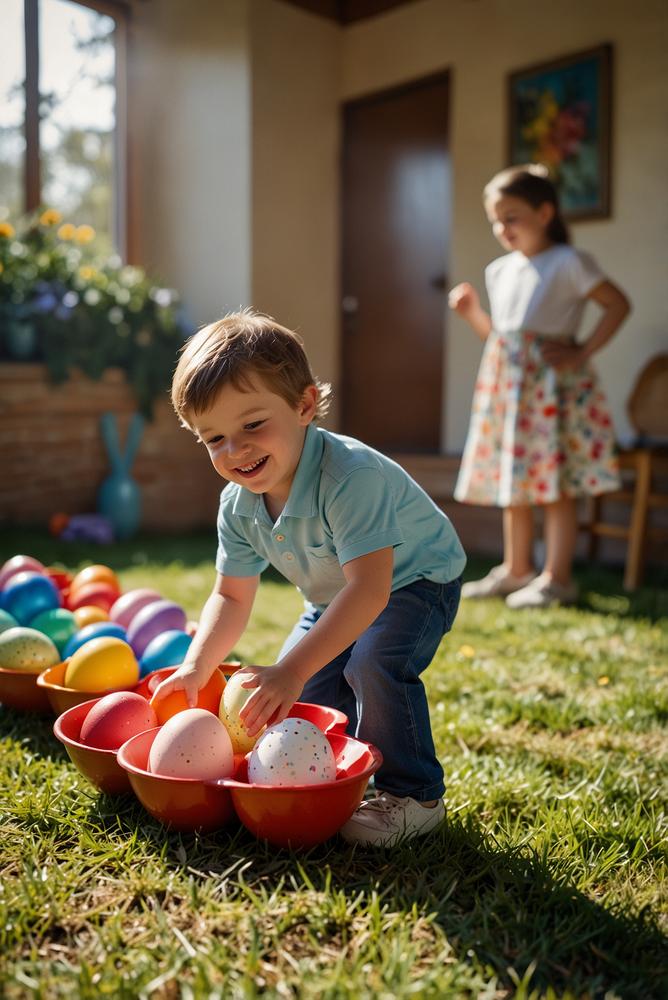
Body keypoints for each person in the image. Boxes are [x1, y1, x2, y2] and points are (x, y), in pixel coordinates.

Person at [150, 309, 466, 847]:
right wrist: (198, 665)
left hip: (416, 580)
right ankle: (336, 778)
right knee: (313, 690)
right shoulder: (238, 504)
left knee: (372, 663)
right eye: (214, 439)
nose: (235, 450)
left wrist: (288, 670)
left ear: (304, 406)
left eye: (252, 425)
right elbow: (230, 595)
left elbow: (371, 589)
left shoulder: (348, 478)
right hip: (334, 594)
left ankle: (415, 795)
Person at [448, 164, 631, 609]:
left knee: (553, 483)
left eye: (512, 217)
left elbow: (617, 305)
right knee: (516, 480)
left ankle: (557, 577)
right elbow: (502, 338)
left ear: (545, 212)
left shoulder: (569, 262)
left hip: (551, 389)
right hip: (509, 390)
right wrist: (473, 313)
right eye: (496, 219)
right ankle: (516, 569)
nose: (501, 228)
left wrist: (581, 351)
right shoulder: (499, 270)